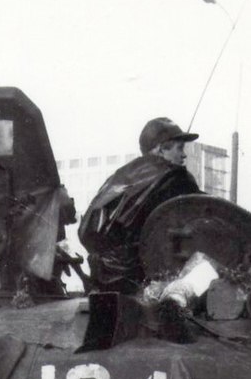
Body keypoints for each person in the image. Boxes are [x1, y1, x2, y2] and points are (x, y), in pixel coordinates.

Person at [79, 117, 200, 294]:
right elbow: (208, 212)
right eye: (179, 148)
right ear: (161, 149)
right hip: (140, 280)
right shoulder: (175, 176)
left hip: (102, 277)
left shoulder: (119, 176)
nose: (184, 155)